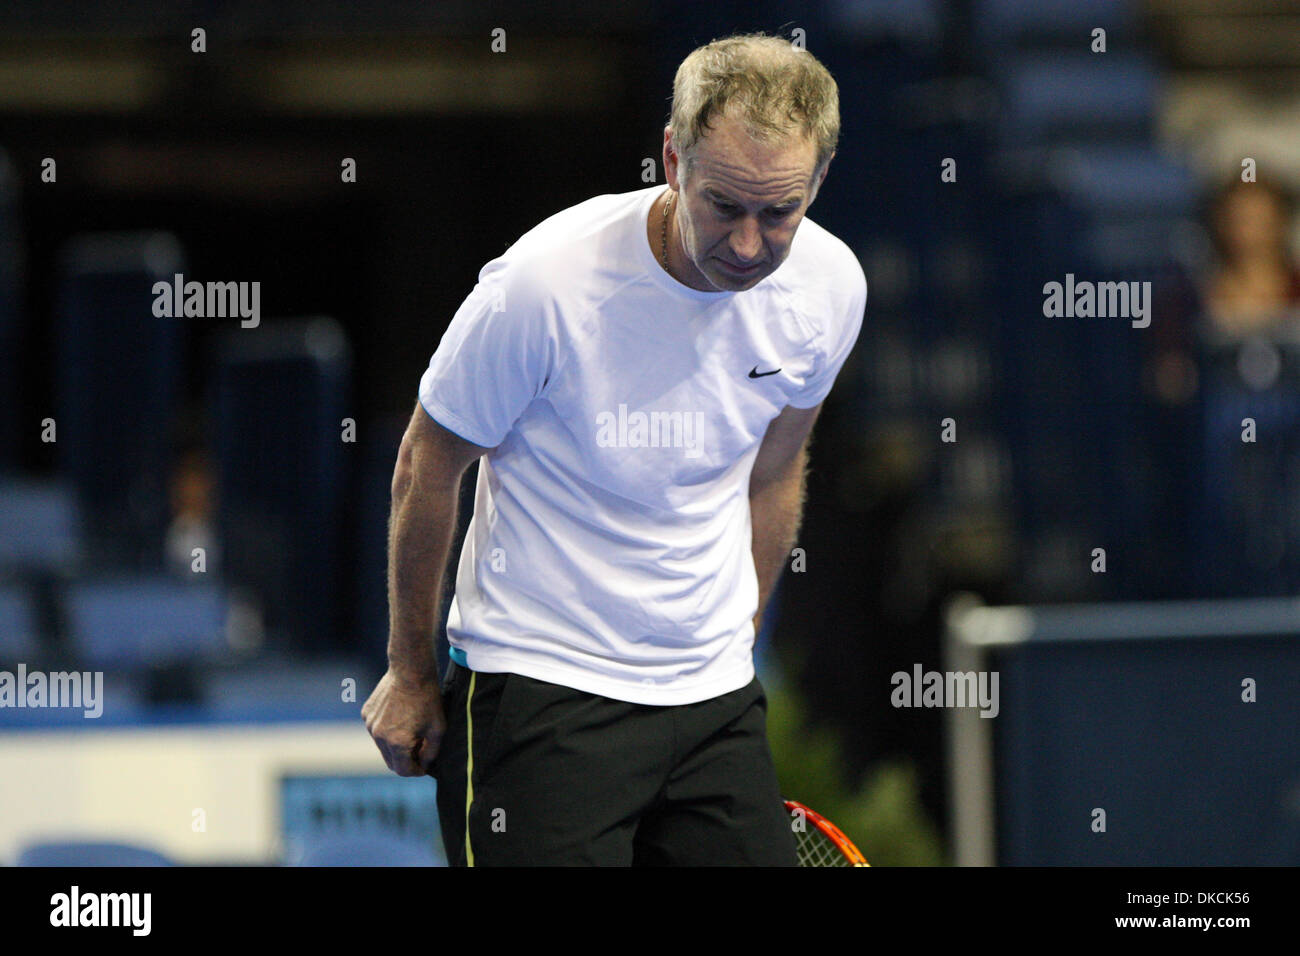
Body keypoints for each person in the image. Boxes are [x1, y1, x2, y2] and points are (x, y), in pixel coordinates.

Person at [362, 32, 866, 866]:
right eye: (724, 205)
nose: (748, 245)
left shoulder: (830, 287)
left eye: (779, 212)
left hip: (713, 702)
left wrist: (734, 632)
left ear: (819, 180)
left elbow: (774, 471)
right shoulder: (543, 286)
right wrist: (411, 673)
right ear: (673, 157)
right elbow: (426, 465)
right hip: (543, 690)